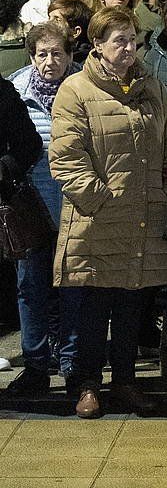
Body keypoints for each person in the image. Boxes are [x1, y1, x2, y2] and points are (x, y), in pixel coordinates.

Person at [50, 6, 167, 419]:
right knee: (93, 304)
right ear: (98, 45)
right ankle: (87, 383)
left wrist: (164, 189)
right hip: (97, 219)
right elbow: (67, 157)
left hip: (144, 216)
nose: (128, 48)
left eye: (133, 40)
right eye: (119, 40)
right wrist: (101, 198)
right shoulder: (75, 89)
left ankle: (124, 381)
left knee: (132, 302)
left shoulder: (152, 87)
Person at [1, 31, 63, 398]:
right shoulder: (17, 86)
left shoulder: (82, 88)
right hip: (28, 202)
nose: (49, 61)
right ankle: (36, 362)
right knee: (30, 286)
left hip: (71, 201)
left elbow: (25, 143)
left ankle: (72, 365)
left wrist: (6, 165)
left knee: (72, 287)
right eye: (42, 53)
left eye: (57, 53)